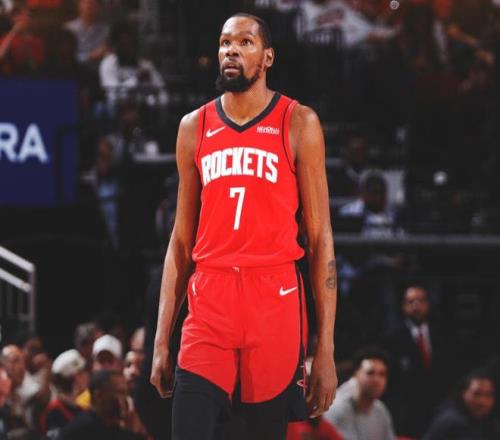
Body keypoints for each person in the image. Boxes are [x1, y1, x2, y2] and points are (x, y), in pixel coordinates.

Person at [150, 12, 338, 440]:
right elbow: (180, 241)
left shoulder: (298, 122)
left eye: (245, 42)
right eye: (224, 43)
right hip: (210, 299)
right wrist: (161, 339)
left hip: (274, 299)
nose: (231, 51)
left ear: (267, 57)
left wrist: (325, 347)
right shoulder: (193, 127)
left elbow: (320, 238)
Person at [382, 285, 449, 438]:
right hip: (406, 412)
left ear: (428, 304)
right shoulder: (392, 338)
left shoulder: (442, 335)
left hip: (436, 408)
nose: (416, 306)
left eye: (421, 301)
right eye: (411, 302)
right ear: (403, 306)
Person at [323, 347, 396, 440]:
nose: (376, 380)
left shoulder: (381, 411)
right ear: (355, 374)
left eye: (382, 374)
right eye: (370, 373)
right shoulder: (335, 407)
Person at [57, 370, 146, 440]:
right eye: (120, 392)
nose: (125, 398)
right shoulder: (79, 431)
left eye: (126, 393)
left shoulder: (115, 429)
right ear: (98, 396)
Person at [423, 369, 500, 439]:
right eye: (476, 394)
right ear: (463, 394)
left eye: (488, 395)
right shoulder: (451, 422)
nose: (482, 401)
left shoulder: (490, 423)